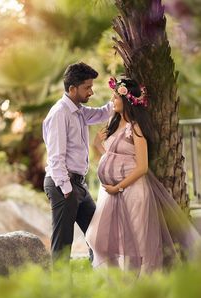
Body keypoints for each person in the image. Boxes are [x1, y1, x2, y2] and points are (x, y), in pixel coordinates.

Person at [85, 76, 200, 275]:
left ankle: (141, 286)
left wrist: (118, 186)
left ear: (127, 100)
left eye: (115, 98)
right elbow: (109, 159)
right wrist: (96, 145)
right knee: (97, 238)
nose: (112, 101)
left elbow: (142, 167)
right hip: (111, 193)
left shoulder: (136, 128)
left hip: (133, 190)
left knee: (137, 244)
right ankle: (120, 282)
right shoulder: (112, 126)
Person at [43, 62, 113, 262]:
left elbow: (103, 113)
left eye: (91, 87)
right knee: (63, 244)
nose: (91, 91)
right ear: (72, 88)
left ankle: (97, 276)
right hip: (63, 184)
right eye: (87, 87)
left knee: (96, 234)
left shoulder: (79, 110)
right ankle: (61, 290)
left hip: (77, 184)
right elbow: (55, 157)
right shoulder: (59, 114)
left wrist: (120, 94)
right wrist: (67, 189)